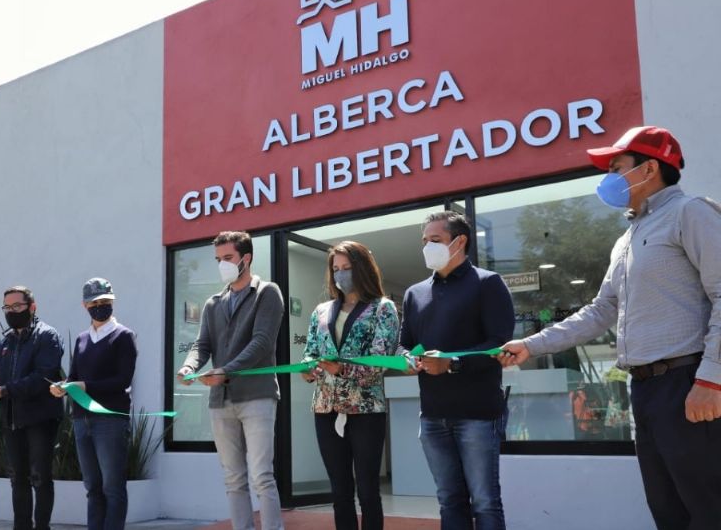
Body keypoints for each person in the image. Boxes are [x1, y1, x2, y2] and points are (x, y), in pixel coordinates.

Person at [498, 126, 721, 530]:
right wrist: (532, 344)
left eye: (617, 167)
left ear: (649, 168)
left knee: (708, 508)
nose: (609, 178)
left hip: (687, 383)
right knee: (667, 509)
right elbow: (601, 310)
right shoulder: (627, 238)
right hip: (645, 390)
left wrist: (711, 378)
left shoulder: (690, 213)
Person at [397, 212, 514, 530]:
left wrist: (453, 363)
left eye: (434, 240)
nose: (426, 247)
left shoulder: (488, 283)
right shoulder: (414, 294)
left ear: (460, 241)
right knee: (449, 500)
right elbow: (403, 344)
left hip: (478, 414)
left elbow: (500, 344)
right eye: (424, 241)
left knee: (486, 502)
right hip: (432, 415)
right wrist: (407, 360)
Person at [177, 231, 285, 530]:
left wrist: (226, 370)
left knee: (262, 476)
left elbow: (262, 342)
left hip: (257, 397)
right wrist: (188, 367)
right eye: (218, 259)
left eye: (228, 258)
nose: (222, 264)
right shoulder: (213, 303)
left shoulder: (267, 292)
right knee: (233, 478)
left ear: (245, 258)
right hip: (220, 401)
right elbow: (202, 345)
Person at [300, 242, 399, 530]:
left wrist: (344, 368)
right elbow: (311, 350)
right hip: (326, 407)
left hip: (365, 408)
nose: (341, 274)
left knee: (367, 489)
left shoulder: (384, 308)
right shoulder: (321, 310)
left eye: (347, 268)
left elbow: (382, 360)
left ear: (363, 269)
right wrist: (309, 368)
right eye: (336, 269)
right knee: (339, 490)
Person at [51, 278, 137, 530]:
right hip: (81, 419)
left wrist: (86, 386)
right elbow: (74, 376)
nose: (100, 306)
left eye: (105, 302)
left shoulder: (124, 336)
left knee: (113, 487)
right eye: (94, 303)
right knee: (92, 487)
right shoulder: (81, 339)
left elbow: (123, 379)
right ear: (84, 305)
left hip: (111, 418)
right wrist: (62, 388)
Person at [0, 286, 64, 530]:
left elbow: (44, 376)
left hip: (40, 418)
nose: (12, 311)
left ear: (32, 307)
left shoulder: (47, 336)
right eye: (7, 308)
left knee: (40, 477)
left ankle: (42, 526)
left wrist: (5, 391)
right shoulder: (6, 341)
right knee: (17, 479)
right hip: (11, 419)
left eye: (17, 306)